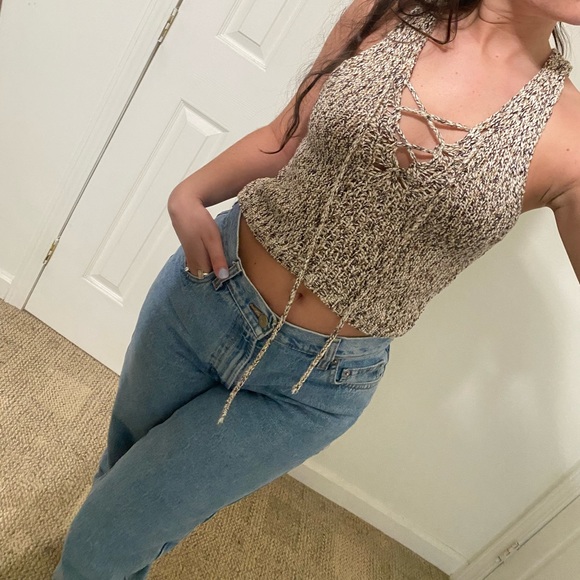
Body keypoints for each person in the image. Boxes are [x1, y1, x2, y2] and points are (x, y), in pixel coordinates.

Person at [53, 0, 580, 577]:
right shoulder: (387, 14)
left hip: (312, 384)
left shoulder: (571, 138)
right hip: (203, 293)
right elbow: (285, 135)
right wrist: (188, 193)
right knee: (122, 469)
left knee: (107, 538)